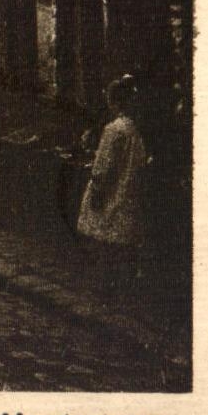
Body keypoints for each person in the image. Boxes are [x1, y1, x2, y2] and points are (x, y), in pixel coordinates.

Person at [76, 75, 148, 288]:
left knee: (102, 235)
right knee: (120, 238)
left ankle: (104, 283)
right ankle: (120, 282)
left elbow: (104, 165)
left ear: (114, 102)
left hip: (111, 188)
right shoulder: (133, 128)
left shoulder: (114, 130)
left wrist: (97, 188)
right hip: (128, 186)